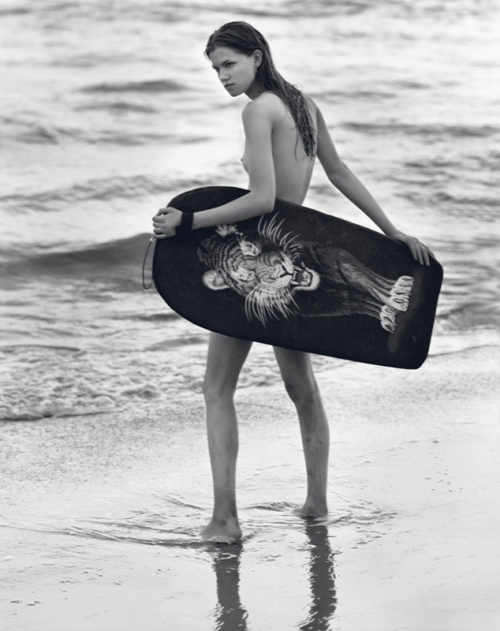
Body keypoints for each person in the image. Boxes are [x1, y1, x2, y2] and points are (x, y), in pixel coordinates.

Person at [152, 21, 433, 542]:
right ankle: (316, 504)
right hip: (295, 257)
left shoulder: (258, 110)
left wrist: (187, 222)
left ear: (257, 57)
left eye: (229, 64)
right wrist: (391, 230)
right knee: (301, 387)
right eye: (215, 69)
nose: (222, 76)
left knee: (217, 389)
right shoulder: (303, 104)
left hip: (254, 266)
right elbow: (339, 172)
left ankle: (224, 520)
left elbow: (262, 199)